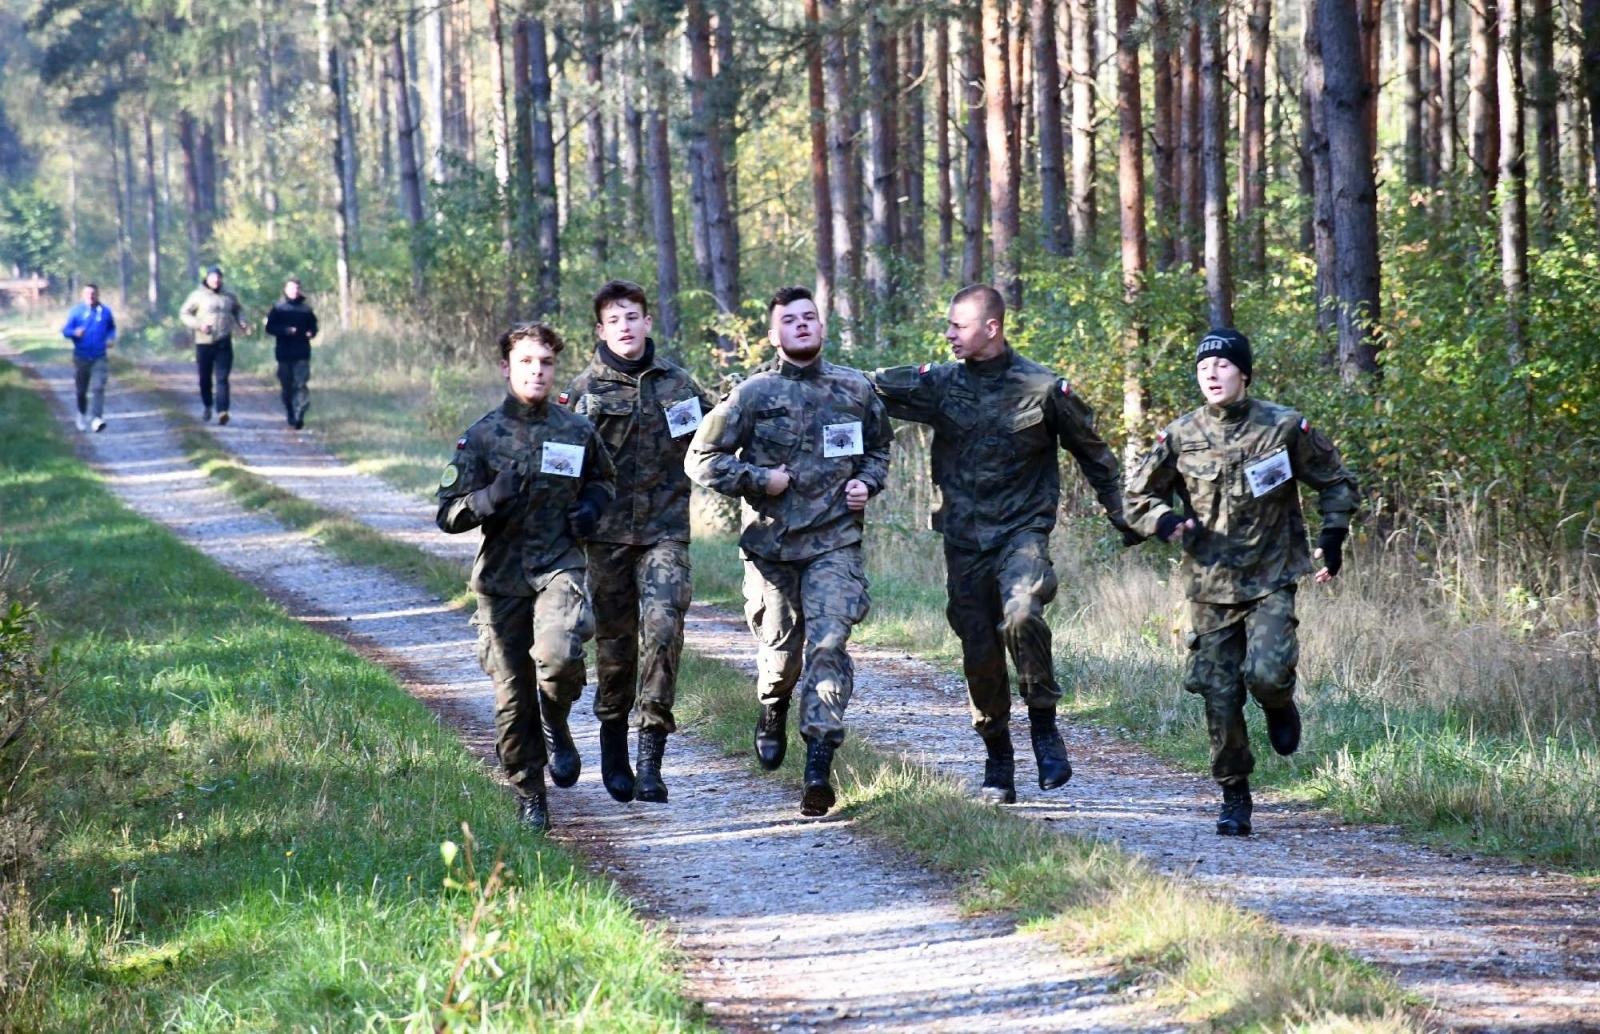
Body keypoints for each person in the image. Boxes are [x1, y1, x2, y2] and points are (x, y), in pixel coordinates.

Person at [868, 284, 1137, 805]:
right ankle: (998, 757)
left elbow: (1095, 455)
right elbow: (861, 387)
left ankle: (1044, 725)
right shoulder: (939, 383)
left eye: (958, 326)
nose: (949, 334)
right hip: (964, 541)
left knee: (1021, 612)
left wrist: (1123, 515)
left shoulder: (1042, 387)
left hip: (1022, 532)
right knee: (980, 653)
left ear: (991, 327)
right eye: (948, 325)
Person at [1123, 328, 1358, 836]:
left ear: (1244, 373)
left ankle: (1278, 702)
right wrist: (1164, 521)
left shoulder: (1284, 427)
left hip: (1271, 576)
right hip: (1209, 586)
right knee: (1219, 692)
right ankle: (1234, 793)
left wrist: (1333, 535)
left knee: (1267, 673)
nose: (1211, 372)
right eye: (1204, 366)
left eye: (1223, 365)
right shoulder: (1181, 435)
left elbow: (1336, 480)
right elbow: (1136, 497)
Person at [688, 286, 892, 817]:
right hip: (772, 549)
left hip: (835, 545)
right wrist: (758, 478)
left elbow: (879, 448)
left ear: (822, 327)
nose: (802, 325)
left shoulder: (855, 388)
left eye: (810, 317)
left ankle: (818, 766)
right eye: (790, 320)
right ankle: (772, 707)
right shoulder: (752, 394)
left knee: (828, 645)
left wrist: (866, 483)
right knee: (781, 658)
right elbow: (700, 458)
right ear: (774, 334)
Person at [435, 322, 616, 832]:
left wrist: (593, 506)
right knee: (512, 699)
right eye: (526, 362)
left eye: (546, 363)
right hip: (501, 580)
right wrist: (489, 499)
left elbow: (605, 479)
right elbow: (447, 514)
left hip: (559, 563)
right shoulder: (482, 436)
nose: (537, 371)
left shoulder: (575, 429)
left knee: (559, 658)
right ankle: (530, 794)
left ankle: (557, 721)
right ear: (507, 368)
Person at [558, 280, 715, 805]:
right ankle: (612, 740)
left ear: (648, 323)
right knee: (616, 646)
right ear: (601, 331)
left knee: (664, 625)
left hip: (663, 533)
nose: (625, 327)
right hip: (603, 540)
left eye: (633, 317)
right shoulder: (583, 392)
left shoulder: (679, 387)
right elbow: (559, 464)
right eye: (614, 320)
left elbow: (716, 440)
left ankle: (651, 754)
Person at [179, 265, 249, 424]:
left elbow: (238, 310)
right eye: (213, 278)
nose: (216, 281)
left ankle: (223, 410)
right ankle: (207, 405)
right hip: (204, 342)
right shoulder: (197, 295)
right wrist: (199, 325)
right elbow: (184, 313)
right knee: (205, 378)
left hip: (224, 341)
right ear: (207, 279)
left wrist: (242, 322)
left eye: (218, 278)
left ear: (221, 279)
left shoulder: (229, 296)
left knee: (222, 378)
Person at [263, 277, 319, 429]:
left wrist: (311, 333)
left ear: (299, 290)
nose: (294, 291)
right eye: (291, 288)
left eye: (296, 288)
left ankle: (300, 412)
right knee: (287, 386)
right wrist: (285, 331)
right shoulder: (278, 308)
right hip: (284, 354)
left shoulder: (306, 310)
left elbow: (314, 327)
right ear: (285, 290)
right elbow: (269, 328)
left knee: (300, 384)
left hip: (302, 353)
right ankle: (290, 412)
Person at [61, 283, 116, 432]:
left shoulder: (105, 312)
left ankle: (97, 418)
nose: (91, 297)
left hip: (99, 356)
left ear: (98, 295)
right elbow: (65, 331)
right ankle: (81, 413)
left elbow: (111, 328)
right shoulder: (76, 312)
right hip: (81, 356)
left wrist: (111, 338)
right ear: (83, 295)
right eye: (87, 294)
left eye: (93, 294)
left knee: (98, 387)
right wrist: (74, 333)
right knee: (81, 390)